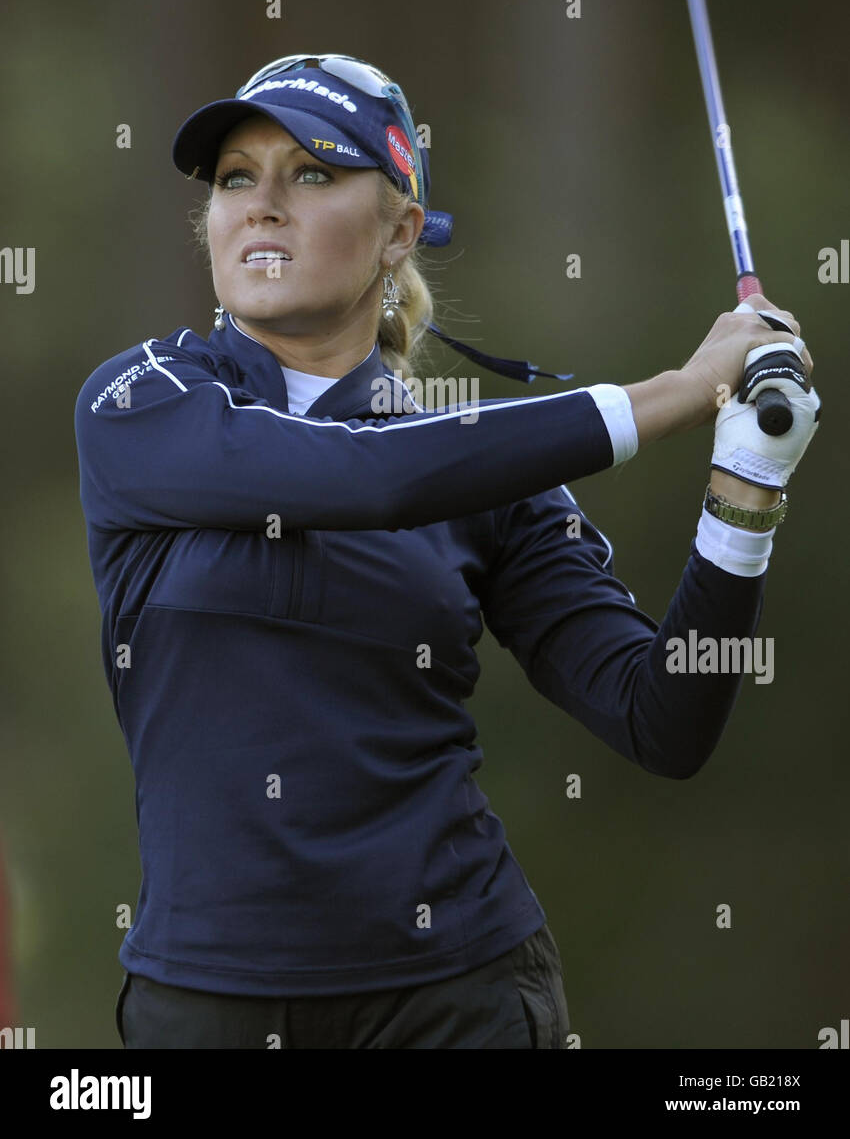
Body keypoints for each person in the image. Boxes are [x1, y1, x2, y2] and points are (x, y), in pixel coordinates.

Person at [73, 54, 819, 1050]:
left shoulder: (485, 470)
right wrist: (673, 395)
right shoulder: (140, 402)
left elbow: (659, 718)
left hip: (453, 994)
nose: (262, 205)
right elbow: (363, 478)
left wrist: (745, 491)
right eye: (236, 178)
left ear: (398, 233)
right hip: (202, 1003)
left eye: (313, 171)